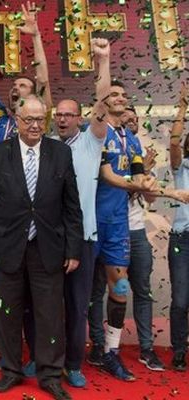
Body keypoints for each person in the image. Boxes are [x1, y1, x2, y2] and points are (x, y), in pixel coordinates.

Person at [0, 95, 83, 400]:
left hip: (48, 248)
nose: (35, 125)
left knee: (50, 314)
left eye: (40, 120)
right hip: (7, 247)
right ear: (17, 120)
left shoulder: (60, 153)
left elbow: (71, 205)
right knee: (7, 313)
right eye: (29, 120)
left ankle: (50, 375)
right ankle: (11, 371)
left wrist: (73, 249)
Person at [0, 1, 53, 366]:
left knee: (34, 291)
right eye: (14, 87)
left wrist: (35, 37)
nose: (16, 91)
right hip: (2, 214)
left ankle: (36, 352)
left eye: (24, 86)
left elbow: (45, 80)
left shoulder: (39, 120)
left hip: (33, 216)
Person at [45, 38, 109, 387]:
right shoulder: (48, 146)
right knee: (46, 304)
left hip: (82, 237)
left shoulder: (91, 140)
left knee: (76, 305)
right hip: (49, 238)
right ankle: (45, 360)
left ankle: (73, 364)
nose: (64, 118)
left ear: (81, 118)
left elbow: (101, 102)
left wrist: (103, 62)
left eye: (70, 114)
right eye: (60, 114)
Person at [86, 79, 156, 382]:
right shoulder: (98, 134)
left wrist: (152, 184)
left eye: (123, 95)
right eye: (113, 94)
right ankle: (78, 350)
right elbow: (107, 175)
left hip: (118, 224)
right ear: (104, 100)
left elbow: (139, 177)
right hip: (89, 222)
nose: (119, 98)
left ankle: (111, 354)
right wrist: (138, 184)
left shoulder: (132, 139)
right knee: (81, 291)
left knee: (121, 287)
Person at [120, 105, 165, 371]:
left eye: (136, 117)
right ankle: (102, 348)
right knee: (100, 291)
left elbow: (150, 197)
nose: (132, 120)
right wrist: (134, 179)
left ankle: (147, 349)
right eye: (127, 115)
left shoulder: (140, 156)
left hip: (137, 231)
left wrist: (145, 174)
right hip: (109, 230)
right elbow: (113, 191)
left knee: (143, 291)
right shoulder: (107, 151)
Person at [168, 81, 189, 372]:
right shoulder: (181, 166)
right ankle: (179, 350)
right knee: (181, 301)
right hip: (182, 240)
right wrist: (183, 107)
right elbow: (173, 142)